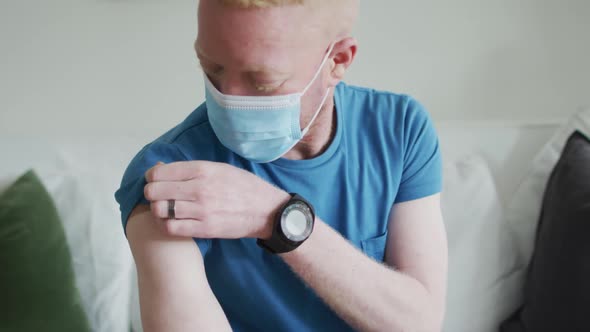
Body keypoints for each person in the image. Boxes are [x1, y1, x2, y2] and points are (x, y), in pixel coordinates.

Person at [115, 0, 448, 331]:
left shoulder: (399, 130)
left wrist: (276, 215)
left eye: (262, 82)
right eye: (212, 68)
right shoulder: (168, 174)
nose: (229, 99)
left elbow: (419, 322)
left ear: (337, 61)